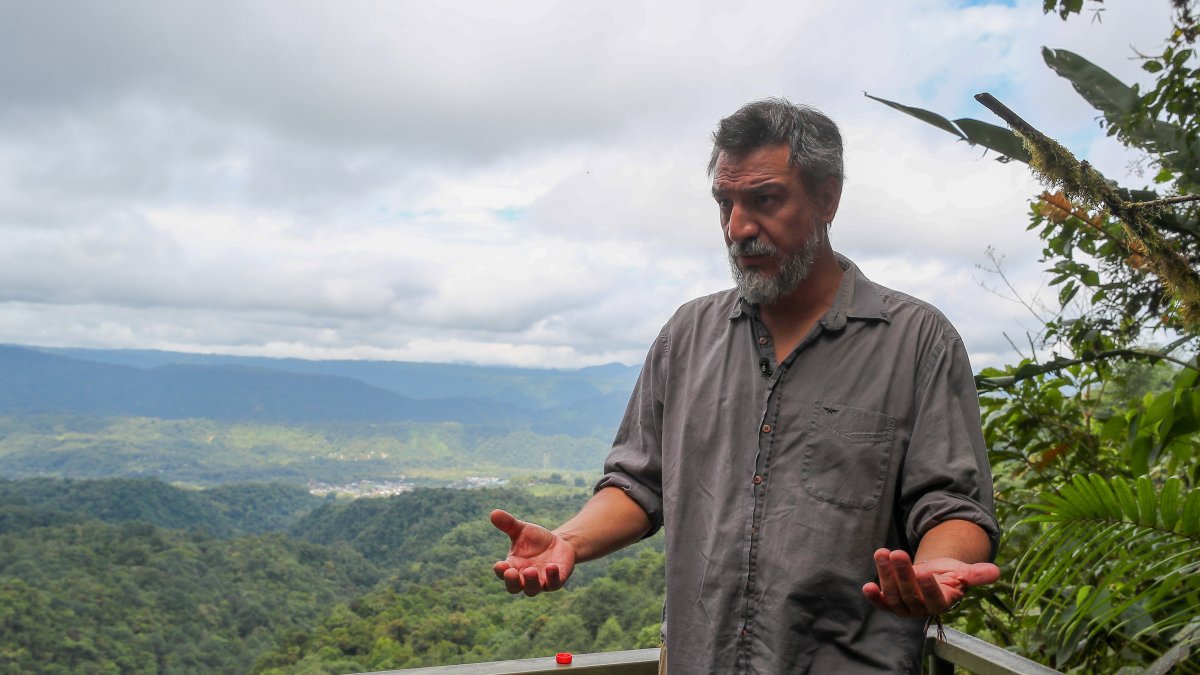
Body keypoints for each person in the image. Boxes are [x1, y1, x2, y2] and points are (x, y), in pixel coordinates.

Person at [490, 98, 1001, 674]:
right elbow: (638, 482)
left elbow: (952, 504)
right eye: (725, 203)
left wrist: (937, 566)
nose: (738, 227)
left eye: (764, 199)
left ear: (827, 198)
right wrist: (569, 541)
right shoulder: (686, 335)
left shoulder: (916, 341)